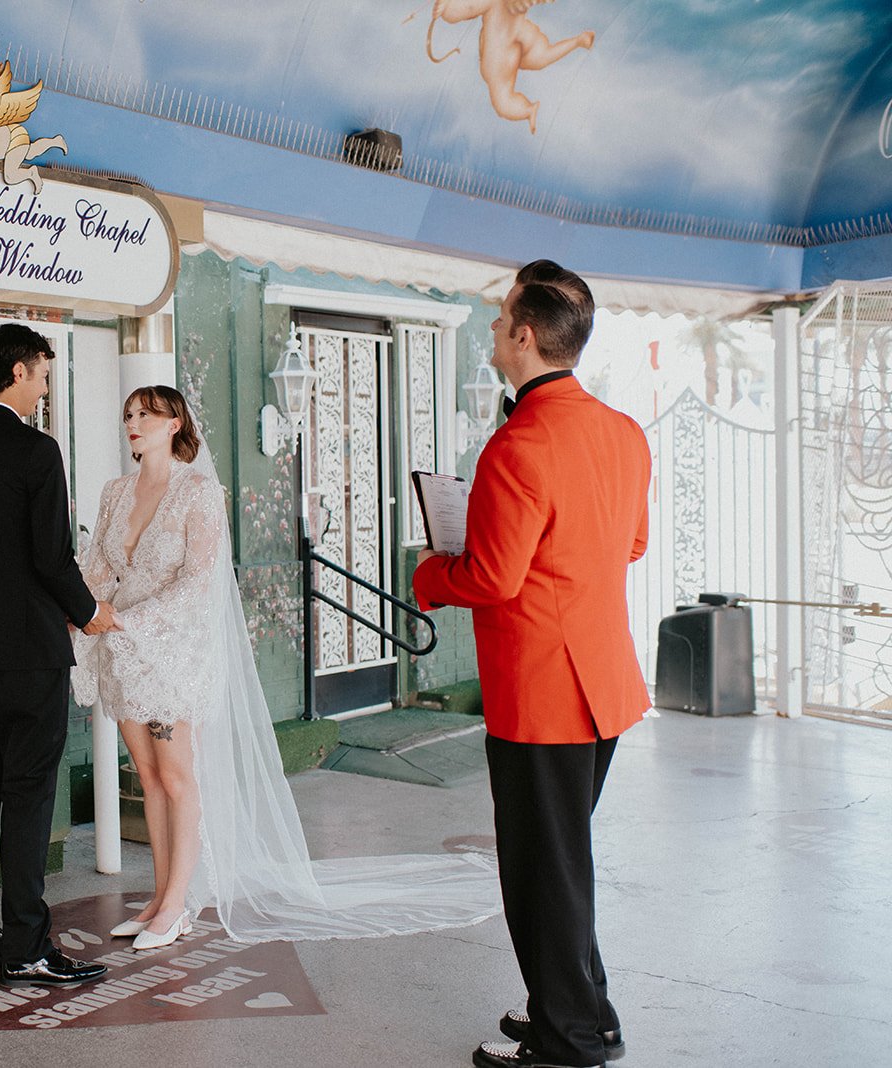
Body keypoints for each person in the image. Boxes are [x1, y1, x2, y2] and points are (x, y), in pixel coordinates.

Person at [74, 385, 503, 953]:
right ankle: (157, 896)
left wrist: (130, 622)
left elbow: (199, 581)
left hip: (171, 654)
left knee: (179, 777)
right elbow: (97, 565)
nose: (132, 423)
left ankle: (178, 904)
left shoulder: (198, 493)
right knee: (149, 778)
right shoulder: (114, 493)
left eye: (146, 415)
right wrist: (84, 611)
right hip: (122, 657)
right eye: (128, 413)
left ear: (175, 423)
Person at [413, 260, 651, 1068]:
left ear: (523, 335)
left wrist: (429, 572)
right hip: (604, 684)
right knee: (565, 862)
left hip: (542, 690)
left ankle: (567, 1041)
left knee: (541, 874)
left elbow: (492, 577)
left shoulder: (517, 444)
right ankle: (590, 1013)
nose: (490, 331)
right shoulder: (623, 432)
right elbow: (634, 544)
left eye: (498, 319)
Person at [0, 323, 117, 990]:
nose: (43, 389)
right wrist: (93, 612)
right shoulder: (39, 452)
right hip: (32, 653)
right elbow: (50, 557)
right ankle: (29, 947)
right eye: (40, 375)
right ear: (16, 372)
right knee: (30, 794)